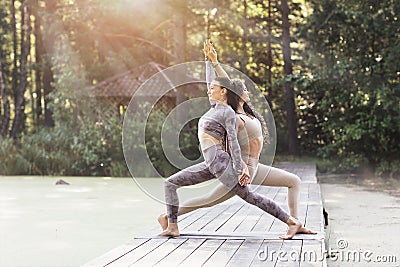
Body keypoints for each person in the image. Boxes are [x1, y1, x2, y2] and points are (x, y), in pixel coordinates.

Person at [158, 43, 307, 240]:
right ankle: (169, 217)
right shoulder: (232, 115)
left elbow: (224, 88)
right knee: (211, 200)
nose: (247, 91)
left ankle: (296, 223)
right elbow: (222, 87)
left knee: (293, 181)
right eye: (243, 89)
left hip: (255, 166)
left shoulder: (246, 112)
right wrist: (212, 63)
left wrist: (213, 61)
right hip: (243, 169)